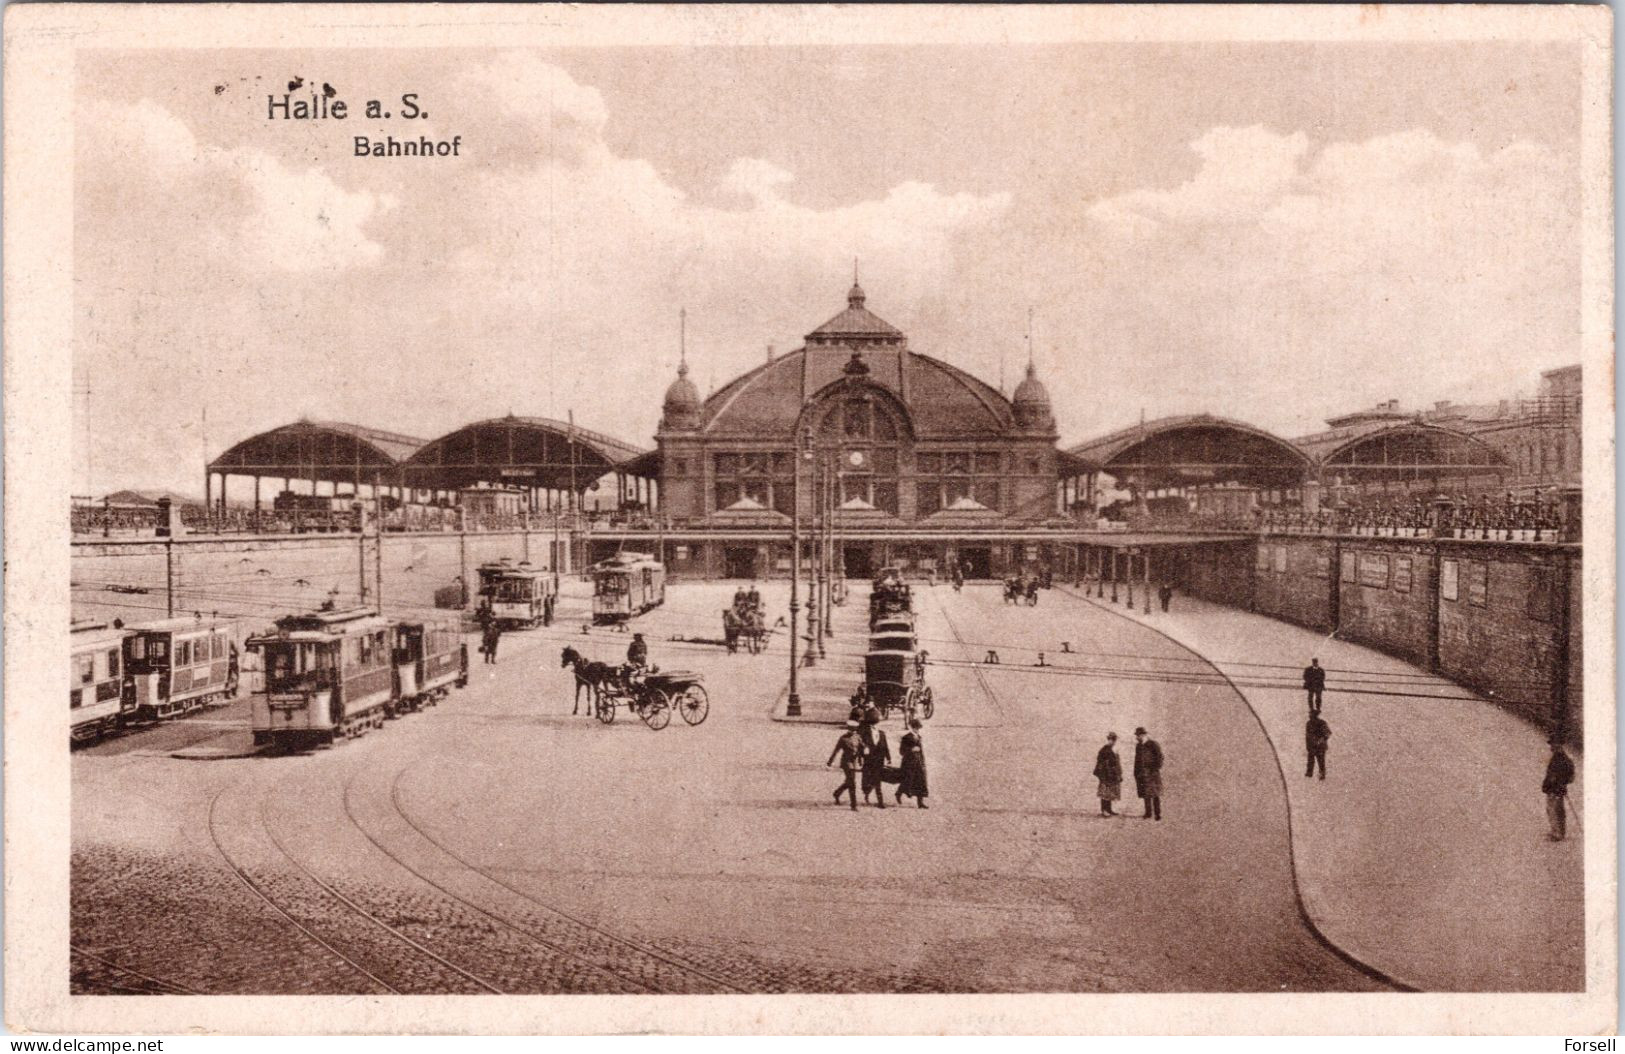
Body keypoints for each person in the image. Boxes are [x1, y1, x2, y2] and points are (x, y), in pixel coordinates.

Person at [1542, 736, 1576, 841]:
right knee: (1551, 809)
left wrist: (1560, 783)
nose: (1551, 747)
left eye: (1553, 744)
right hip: (1553, 788)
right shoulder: (1557, 757)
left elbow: (1569, 776)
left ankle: (1558, 834)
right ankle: (1555, 831)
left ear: (1559, 745)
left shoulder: (1563, 759)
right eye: (1551, 744)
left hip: (1556, 789)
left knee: (1556, 810)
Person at [827, 721, 865, 811]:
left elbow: (862, 748)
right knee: (852, 782)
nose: (854, 731)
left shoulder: (858, 737)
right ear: (848, 729)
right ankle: (853, 805)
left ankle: (837, 793)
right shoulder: (843, 738)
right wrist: (830, 762)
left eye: (855, 729)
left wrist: (864, 754)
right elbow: (836, 750)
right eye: (852, 729)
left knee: (849, 781)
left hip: (854, 762)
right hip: (846, 762)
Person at [859, 710, 891, 808]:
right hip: (869, 761)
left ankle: (880, 802)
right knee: (867, 780)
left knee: (878, 782)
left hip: (879, 761)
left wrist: (889, 758)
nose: (875, 727)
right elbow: (860, 746)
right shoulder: (865, 733)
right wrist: (862, 755)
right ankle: (867, 793)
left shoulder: (882, 734)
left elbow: (885, 747)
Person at [896, 718, 929, 808]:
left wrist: (923, 762)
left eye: (918, 728)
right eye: (915, 728)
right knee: (907, 781)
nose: (917, 730)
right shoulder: (906, 737)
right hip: (909, 763)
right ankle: (898, 793)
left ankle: (920, 803)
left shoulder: (919, 737)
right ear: (912, 727)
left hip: (918, 762)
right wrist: (911, 749)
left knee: (921, 781)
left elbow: (921, 752)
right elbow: (901, 751)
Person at [1133, 727, 1163, 820]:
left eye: (1137, 735)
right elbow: (1137, 760)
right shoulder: (1138, 746)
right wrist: (1136, 772)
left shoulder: (1153, 744)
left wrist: (1154, 768)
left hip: (1152, 773)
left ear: (1143, 735)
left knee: (1155, 794)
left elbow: (1160, 757)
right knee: (1146, 793)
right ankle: (1148, 813)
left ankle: (1157, 814)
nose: (1136, 737)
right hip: (1142, 773)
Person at [1093, 732, 1123, 816]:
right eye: (1111, 739)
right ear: (1108, 740)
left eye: (1113, 740)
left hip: (1113, 774)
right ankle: (1104, 810)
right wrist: (1104, 772)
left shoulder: (1115, 749)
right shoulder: (1105, 749)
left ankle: (1109, 809)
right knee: (1104, 792)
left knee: (1110, 792)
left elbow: (1117, 762)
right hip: (1106, 774)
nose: (1112, 741)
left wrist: (1119, 773)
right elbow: (1100, 762)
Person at [1305, 712, 1331, 780]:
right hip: (1312, 746)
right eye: (1309, 714)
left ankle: (1322, 774)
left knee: (1321, 761)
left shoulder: (1322, 723)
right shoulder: (1308, 723)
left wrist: (1320, 740)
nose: (1309, 715)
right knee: (1310, 760)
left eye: (1311, 714)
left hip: (1320, 747)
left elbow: (1327, 733)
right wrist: (1308, 746)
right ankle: (1309, 773)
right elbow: (1307, 735)